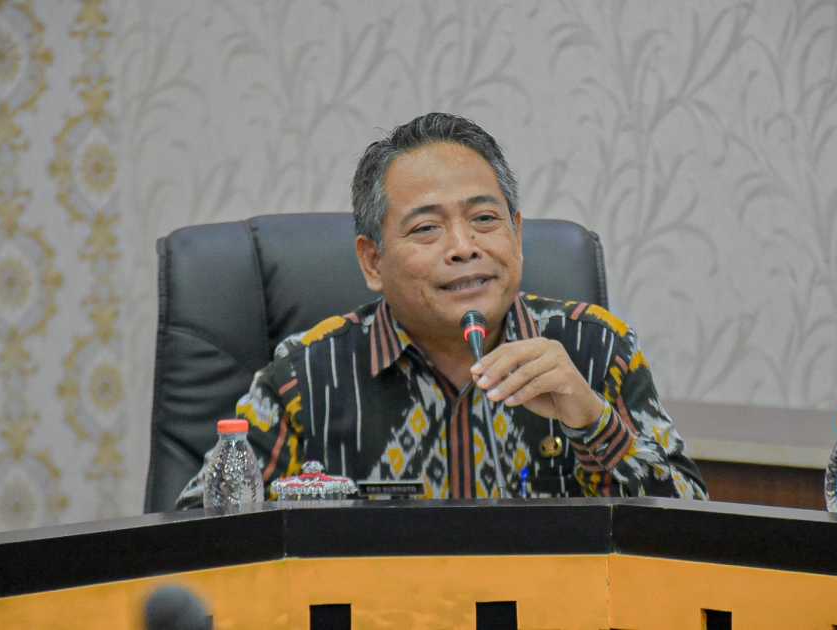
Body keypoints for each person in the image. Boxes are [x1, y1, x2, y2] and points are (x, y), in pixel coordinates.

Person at [176, 113, 707, 508]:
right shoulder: (306, 376)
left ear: (517, 235)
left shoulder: (596, 349)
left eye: (484, 219)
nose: (463, 247)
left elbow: (690, 535)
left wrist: (593, 422)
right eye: (427, 228)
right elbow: (199, 537)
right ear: (372, 261)